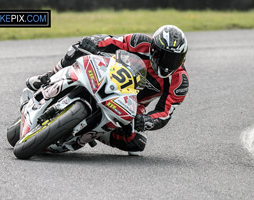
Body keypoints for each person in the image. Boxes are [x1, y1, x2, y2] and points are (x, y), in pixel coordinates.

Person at [26, 25, 189, 155]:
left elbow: (165, 112)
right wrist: (94, 43)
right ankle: (48, 77)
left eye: (174, 59)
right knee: (79, 48)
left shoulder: (179, 81)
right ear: (153, 48)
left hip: (131, 104)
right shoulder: (140, 42)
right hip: (108, 76)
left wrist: (146, 120)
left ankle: (99, 132)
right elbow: (114, 42)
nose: (168, 64)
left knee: (137, 142)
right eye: (164, 56)